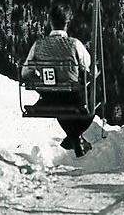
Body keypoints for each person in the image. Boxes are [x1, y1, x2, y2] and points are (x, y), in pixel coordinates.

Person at [23, 15, 95, 157]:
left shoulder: (38, 45)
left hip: (50, 96)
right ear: (67, 24)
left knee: (59, 99)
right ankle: (75, 137)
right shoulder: (74, 44)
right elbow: (87, 66)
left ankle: (73, 138)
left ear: (50, 24)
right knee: (91, 97)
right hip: (72, 96)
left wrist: (40, 79)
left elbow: (25, 72)